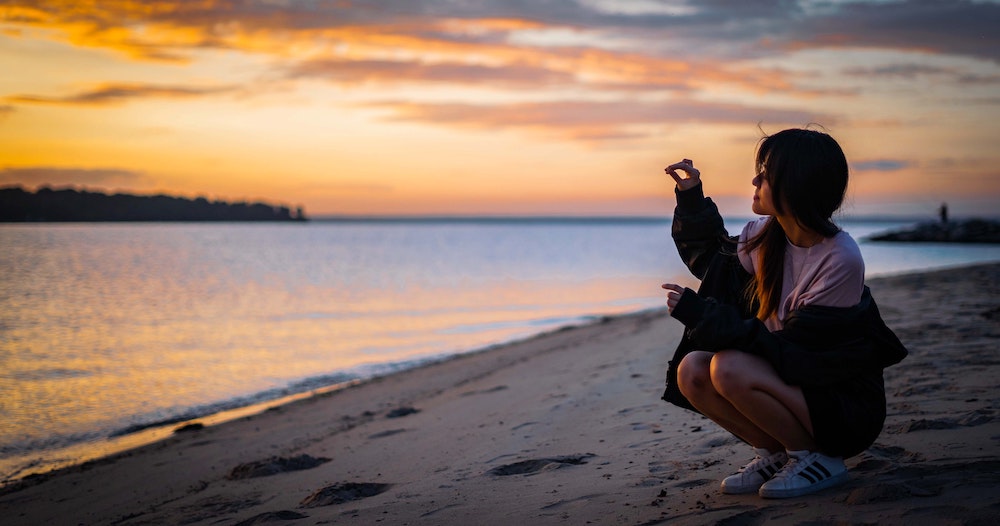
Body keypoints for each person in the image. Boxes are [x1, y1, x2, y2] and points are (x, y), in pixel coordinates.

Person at [659, 128, 907, 499]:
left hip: (839, 406)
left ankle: (819, 459)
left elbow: (801, 356)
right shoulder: (764, 236)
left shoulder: (839, 258)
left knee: (727, 367)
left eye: (766, 173)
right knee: (692, 371)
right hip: (791, 383)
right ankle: (778, 453)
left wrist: (704, 316)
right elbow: (712, 261)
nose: (755, 180)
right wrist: (691, 197)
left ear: (795, 185)